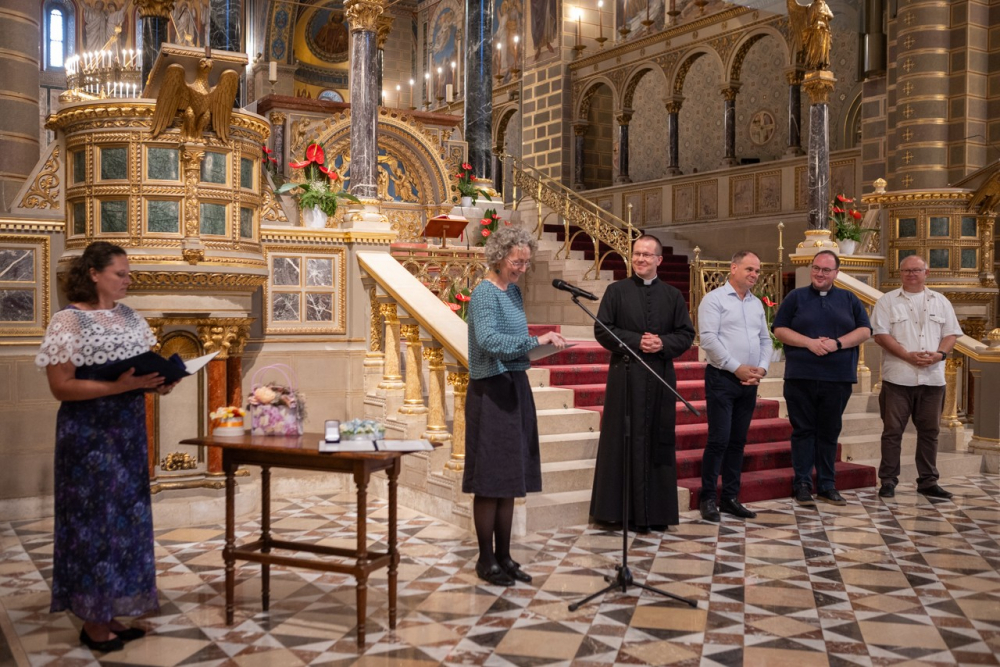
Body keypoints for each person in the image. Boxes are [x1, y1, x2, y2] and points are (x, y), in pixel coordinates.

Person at [35, 242, 177, 653]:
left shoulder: (130, 317)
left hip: (127, 435)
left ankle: (110, 612)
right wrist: (118, 386)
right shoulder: (68, 320)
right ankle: (93, 623)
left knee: (126, 523)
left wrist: (159, 382)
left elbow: (139, 371)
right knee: (93, 525)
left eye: (128, 274)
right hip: (87, 438)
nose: (128, 280)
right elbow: (61, 387)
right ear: (94, 274)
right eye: (120, 273)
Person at [464, 227, 567, 586]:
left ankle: (505, 557)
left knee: (509, 478)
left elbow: (516, 341)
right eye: (516, 262)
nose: (522, 268)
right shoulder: (483, 293)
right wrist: (535, 341)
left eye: (526, 263)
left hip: (514, 386)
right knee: (489, 479)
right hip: (490, 391)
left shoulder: (514, 292)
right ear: (498, 257)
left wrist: (538, 348)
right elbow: (489, 340)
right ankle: (485, 559)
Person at [589, 235, 696, 530]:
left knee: (656, 439)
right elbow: (602, 330)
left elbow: (686, 334)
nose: (640, 259)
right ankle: (616, 512)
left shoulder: (673, 295)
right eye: (637, 254)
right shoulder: (616, 291)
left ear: (659, 260)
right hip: (625, 378)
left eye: (647, 255)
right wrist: (637, 341)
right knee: (621, 439)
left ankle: (656, 514)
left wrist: (662, 343)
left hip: (659, 378)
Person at [772, 250, 871, 507]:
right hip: (801, 376)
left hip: (837, 377)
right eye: (816, 268)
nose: (819, 273)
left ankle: (827, 485)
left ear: (836, 273)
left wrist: (837, 343)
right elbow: (779, 329)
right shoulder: (796, 297)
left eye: (826, 270)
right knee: (803, 431)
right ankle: (803, 484)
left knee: (829, 431)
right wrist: (809, 343)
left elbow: (864, 330)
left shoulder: (849, 299)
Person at [871, 255, 962, 500]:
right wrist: (906, 356)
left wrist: (940, 355)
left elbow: (951, 333)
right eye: (906, 270)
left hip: (932, 379)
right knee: (892, 432)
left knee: (930, 432)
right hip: (898, 379)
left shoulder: (941, 301)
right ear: (900, 273)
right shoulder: (887, 301)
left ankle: (928, 481)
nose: (911, 274)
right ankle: (888, 480)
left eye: (916, 270)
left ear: (926, 273)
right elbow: (880, 334)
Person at [697, 250, 772, 522]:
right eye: (749, 269)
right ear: (733, 268)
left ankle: (730, 497)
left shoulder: (756, 303)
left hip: (749, 380)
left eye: (757, 271)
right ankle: (708, 498)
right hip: (722, 378)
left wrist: (761, 368)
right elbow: (708, 339)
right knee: (719, 440)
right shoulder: (714, 299)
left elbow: (765, 339)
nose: (754, 275)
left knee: (738, 441)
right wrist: (735, 367)